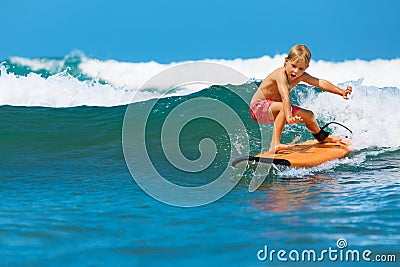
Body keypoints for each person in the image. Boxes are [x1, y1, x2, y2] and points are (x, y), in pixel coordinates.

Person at [250, 44, 352, 152]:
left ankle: (322, 138)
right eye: (293, 66)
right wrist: (289, 116)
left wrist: (341, 92)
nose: (296, 71)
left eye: (301, 68)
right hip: (258, 107)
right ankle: (275, 144)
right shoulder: (280, 74)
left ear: (306, 68)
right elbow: (285, 96)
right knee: (284, 107)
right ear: (286, 61)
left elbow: (320, 82)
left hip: (274, 106)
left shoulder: (301, 76)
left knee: (309, 116)